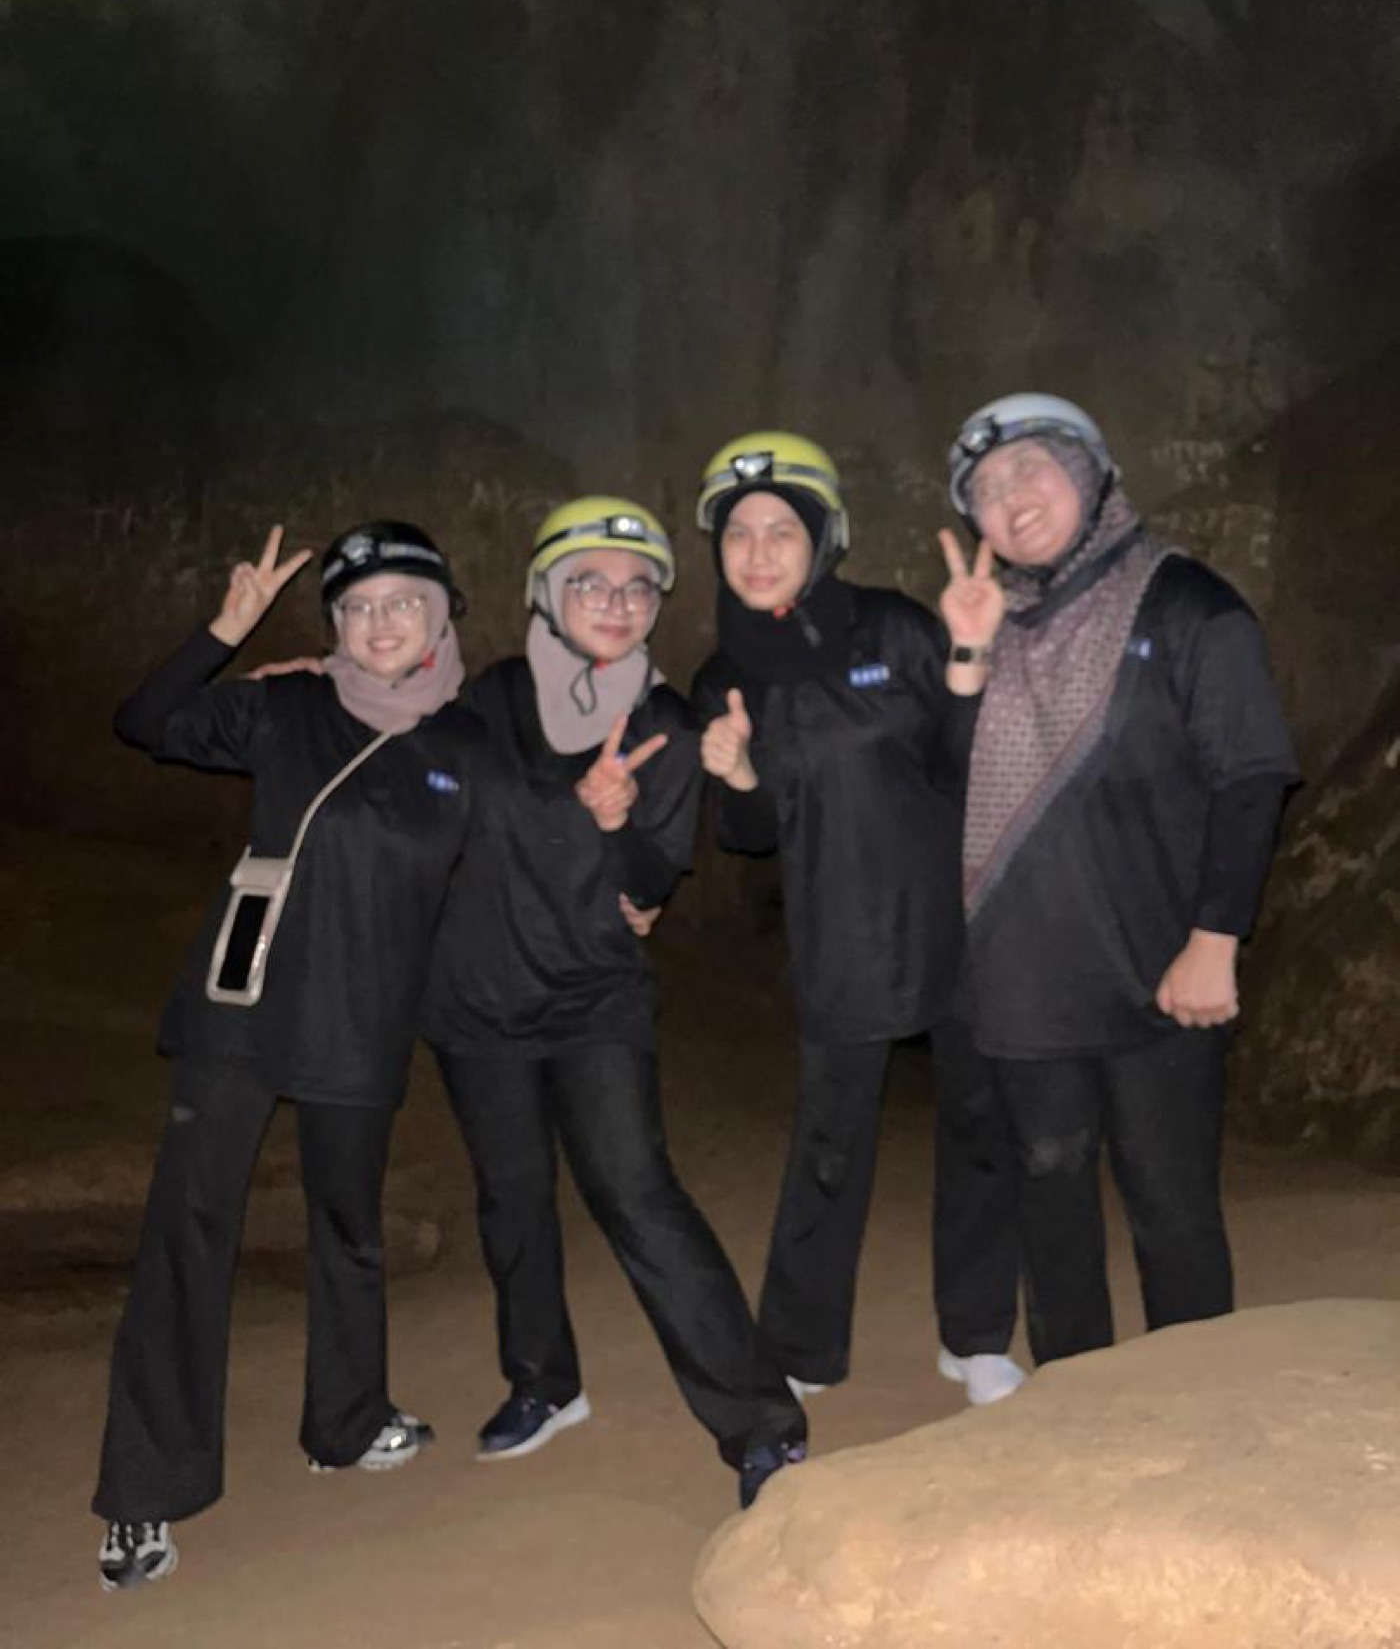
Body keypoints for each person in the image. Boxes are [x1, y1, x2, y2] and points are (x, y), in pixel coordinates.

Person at [93, 521, 481, 1591]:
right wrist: (224, 628)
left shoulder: (469, 744)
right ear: (336, 628)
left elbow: (515, 868)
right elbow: (148, 721)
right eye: (357, 608)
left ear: (442, 613)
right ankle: (142, 1494)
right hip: (241, 1011)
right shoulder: (289, 704)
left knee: (348, 1231)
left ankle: (346, 1422)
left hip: (361, 1021)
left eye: (403, 600)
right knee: (188, 1236)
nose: (380, 622)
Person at [422, 496, 807, 1508]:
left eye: (637, 587)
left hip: (592, 998)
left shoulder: (666, 725)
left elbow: (648, 883)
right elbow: (422, 804)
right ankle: (543, 1385)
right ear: (547, 594)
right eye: (589, 582)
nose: (616, 602)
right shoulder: (485, 700)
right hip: (474, 999)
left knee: (638, 1196)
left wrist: (614, 822)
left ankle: (760, 1426)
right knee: (510, 1196)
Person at [942, 393, 1298, 1364]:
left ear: (1089, 471)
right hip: (1024, 978)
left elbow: (1251, 773)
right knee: (1047, 1194)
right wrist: (967, 657)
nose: (1007, 500)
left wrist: (1214, 938)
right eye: (981, 489)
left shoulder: (1185, 604)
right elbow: (953, 788)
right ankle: (1072, 1402)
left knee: (1168, 1202)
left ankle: (1188, 1406)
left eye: (1028, 470)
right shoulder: (992, 626)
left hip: (1156, 970)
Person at [692, 433, 1023, 1408]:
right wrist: (740, 775)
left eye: (779, 530)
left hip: (958, 916)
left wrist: (965, 660)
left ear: (822, 536)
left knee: (977, 1124)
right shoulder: (724, 675)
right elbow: (749, 834)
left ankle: (975, 1334)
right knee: (829, 1141)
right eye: (738, 534)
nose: (756, 551)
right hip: (838, 926)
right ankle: (799, 1346)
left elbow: (970, 768)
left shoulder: (891, 629)